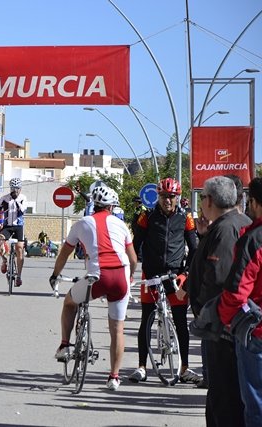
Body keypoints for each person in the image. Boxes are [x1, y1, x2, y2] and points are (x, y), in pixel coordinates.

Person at [49, 186, 137, 391]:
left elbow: (64, 254)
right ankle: (114, 377)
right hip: (121, 276)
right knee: (118, 329)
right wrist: (130, 276)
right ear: (112, 207)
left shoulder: (82, 223)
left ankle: (65, 345)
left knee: (69, 302)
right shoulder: (121, 225)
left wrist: (55, 275)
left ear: (93, 205)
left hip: (97, 276)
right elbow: (133, 259)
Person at [183, 176, 250, 424]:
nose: (201, 203)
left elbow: (218, 278)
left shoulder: (226, 228)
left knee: (224, 398)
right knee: (222, 395)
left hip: (223, 329)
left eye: (202, 198)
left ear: (210, 200)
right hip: (227, 326)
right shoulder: (230, 224)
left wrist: (203, 311)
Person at [130, 177, 200, 384]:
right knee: (146, 320)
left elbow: (194, 249)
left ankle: (184, 368)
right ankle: (142, 367)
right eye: (163, 196)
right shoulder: (147, 217)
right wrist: (132, 269)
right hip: (151, 275)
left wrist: (186, 273)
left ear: (177, 197)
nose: (167, 200)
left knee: (180, 321)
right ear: (157, 197)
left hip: (175, 276)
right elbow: (135, 245)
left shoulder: (186, 217)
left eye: (171, 196)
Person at [219, 176, 262, 427]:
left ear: (254, 202)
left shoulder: (254, 239)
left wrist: (226, 320)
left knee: (256, 407)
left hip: (256, 333)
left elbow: (236, 292)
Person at [0, 178, 27, 287]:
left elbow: (22, 211)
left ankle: (19, 276)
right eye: (13, 188)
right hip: (7, 226)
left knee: (19, 249)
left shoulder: (23, 198)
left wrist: (16, 200)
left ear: (20, 189)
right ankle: (4, 260)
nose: (15, 191)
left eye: (17, 188)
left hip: (19, 227)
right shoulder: (4, 199)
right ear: (10, 188)